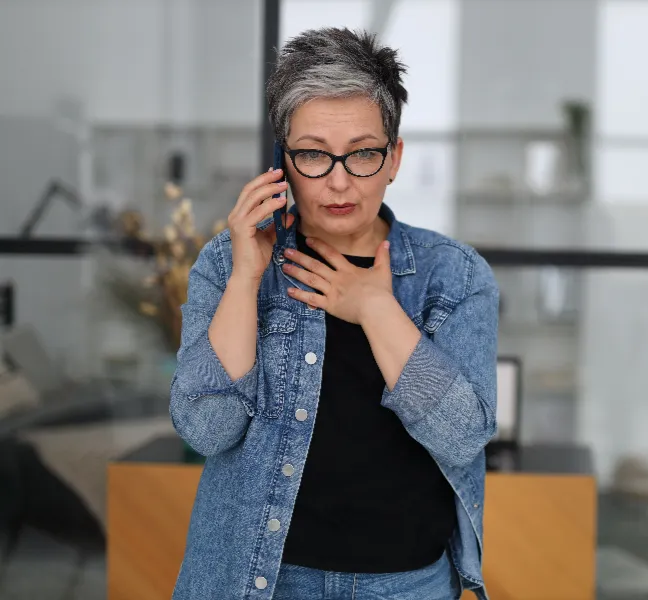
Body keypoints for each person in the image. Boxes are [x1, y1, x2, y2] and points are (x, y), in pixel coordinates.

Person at [170, 27, 499, 600]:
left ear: (394, 159)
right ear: (283, 161)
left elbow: (463, 434)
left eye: (363, 153)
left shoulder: (457, 276)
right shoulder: (229, 262)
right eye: (315, 154)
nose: (340, 180)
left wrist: (374, 307)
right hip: (261, 581)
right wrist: (248, 277)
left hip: (406, 585)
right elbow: (205, 427)